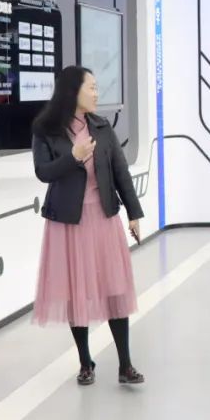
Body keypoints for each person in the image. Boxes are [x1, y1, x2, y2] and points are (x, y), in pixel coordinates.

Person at [30, 66, 145, 386]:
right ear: (73, 90)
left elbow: (120, 171)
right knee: (75, 292)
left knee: (115, 288)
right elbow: (43, 172)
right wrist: (74, 156)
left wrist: (133, 213)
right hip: (68, 222)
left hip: (104, 217)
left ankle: (125, 365)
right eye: (91, 87)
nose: (96, 93)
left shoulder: (102, 126)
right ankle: (85, 362)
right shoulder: (46, 129)